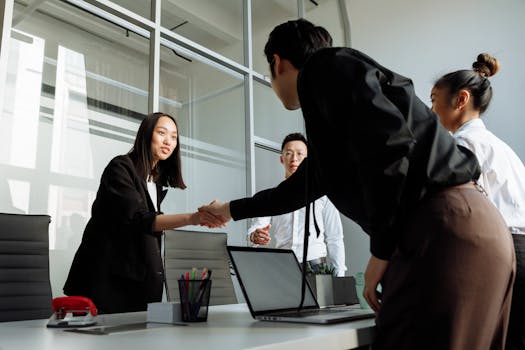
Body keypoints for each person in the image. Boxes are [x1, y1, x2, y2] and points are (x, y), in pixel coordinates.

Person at [199, 19, 515, 349]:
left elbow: (388, 144)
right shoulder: (335, 101)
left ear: (276, 62)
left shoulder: (324, 68)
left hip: (445, 230)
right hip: (476, 229)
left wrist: (381, 248)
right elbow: (296, 189)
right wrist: (229, 210)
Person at [64, 112, 224, 314]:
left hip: (135, 287)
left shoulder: (154, 181)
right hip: (106, 287)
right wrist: (194, 218)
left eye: (174, 137)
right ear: (146, 135)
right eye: (162, 133)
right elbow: (140, 220)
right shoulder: (120, 167)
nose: (169, 141)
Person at [431, 54, 525, 350]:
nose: (431, 109)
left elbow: (464, 211)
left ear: (461, 99)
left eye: (434, 99)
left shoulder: (464, 145)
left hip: (504, 251)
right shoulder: (502, 147)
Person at [248, 132, 346, 276]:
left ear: (308, 159)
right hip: (282, 267)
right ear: (282, 159)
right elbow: (256, 227)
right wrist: (253, 236)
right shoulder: (273, 197)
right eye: (289, 153)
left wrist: (339, 274)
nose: (294, 158)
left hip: (316, 268)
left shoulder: (323, 195)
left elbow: (334, 237)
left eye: (300, 154)